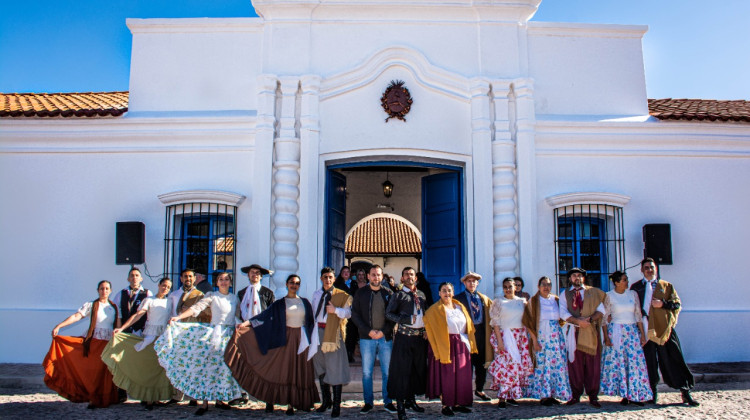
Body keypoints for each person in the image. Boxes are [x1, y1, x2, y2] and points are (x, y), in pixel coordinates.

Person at [224, 274, 319, 415]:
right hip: (284, 339)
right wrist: (246, 323)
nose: (294, 285)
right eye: (292, 282)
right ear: (286, 284)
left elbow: (310, 322)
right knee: (280, 371)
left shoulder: (305, 302)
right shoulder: (280, 303)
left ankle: (293, 403)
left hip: (301, 340)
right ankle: (271, 400)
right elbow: (264, 316)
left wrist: (311, 340)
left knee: (297, 371)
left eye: (297, 283)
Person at [156, 272, 243, 416]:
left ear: (231, 282)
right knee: (208, 367)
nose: (223, 282)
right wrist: (179, 317)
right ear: (216, 282)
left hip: (229, 335)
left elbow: (237, 317)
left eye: (226, 279)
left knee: (224, 367)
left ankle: (220, 400)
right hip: (214, 333)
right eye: (221, 279)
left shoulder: (234, 298)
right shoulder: (212, 295)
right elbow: (196, 308)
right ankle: (204, 402)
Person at [631, 258, 699, 406]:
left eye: (652, 267)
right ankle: (652, 393)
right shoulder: (636, 287)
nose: (650, 270)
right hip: (645, 328)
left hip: (663, 329)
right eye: (647, 267)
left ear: (656, 269)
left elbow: (676, 304)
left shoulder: (666, 286)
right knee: (649, 362)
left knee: (673, 359)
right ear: (642, 270)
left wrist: (662, 304)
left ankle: (685, 391)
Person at [43, 280, 121, 408]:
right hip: (94, 342)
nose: (104, 291)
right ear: (98, 290)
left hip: (107, 343)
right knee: (93, 372)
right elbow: (77, 316)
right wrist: (60, 326)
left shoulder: (114, 307)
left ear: (110, 291)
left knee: (105, 372)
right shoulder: (91, 305)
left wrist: (117, 339)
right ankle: (92, 398)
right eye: (102, 288)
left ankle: (104, 399)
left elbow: (118, 325)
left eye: (107, 289)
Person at [103, 277, 175, 410]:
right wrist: (122, 328)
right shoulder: (149, 300)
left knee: (160, 368)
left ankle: (157, 397)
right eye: (164, 285)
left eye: (168, 287)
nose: (165, 288)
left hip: (163, 337)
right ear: (158, 285)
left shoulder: (170, 301)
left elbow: (175, 318)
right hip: (149, 336)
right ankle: (148, 399)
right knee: (148, 367)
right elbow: (138, 315)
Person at [424, 282, 477, 416]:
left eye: (449, 291)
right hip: (445, 344)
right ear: (439, 293)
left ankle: (458, 403)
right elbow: (429, 327)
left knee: (461, 375)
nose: (447, 293)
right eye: (444, 291)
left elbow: (469, 325)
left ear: (453, 292)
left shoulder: (460, 307)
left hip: (461, 343)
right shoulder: (434, 310)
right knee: (447, 375)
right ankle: (446, 404)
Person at [600, 271, 652, 406]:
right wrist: (606, 337)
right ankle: (624, 394)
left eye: (627, 279)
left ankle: (636, 393)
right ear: (616, 283)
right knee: (621, 363)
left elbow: (638, 315)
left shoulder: (633, 294)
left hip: (631, 332)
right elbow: (604, 319)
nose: (627, 282)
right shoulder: (609, 296)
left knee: (634, 363)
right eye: (624, 280)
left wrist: (642, 334)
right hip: (617, 331)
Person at [350, 265, 396, 413]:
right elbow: (355, 315)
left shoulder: (389, 293)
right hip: (366, 338)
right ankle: (368, 402)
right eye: (373, 275)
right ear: (368, 276)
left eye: (378, 275)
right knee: (366, 372)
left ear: (382, 277)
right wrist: (368, 331)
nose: (376, 277)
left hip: (385, 338)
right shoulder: (360, 293)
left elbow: (393, 316)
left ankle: (388, 402)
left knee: (387, 372)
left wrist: (383, 332)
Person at [386, 266, 428, 420]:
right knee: (401, 371)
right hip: (404, 337)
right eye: (406, 275)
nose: (409, 277)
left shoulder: (421, 294)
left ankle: (412, 401)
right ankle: (401, 406)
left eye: (412, 274)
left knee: (415, 370)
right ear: (402, 278)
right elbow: (389, 314)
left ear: (416, 278)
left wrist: (425, 330)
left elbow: (425, 314)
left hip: (419, 339)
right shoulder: (398, 295)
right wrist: (407, 320)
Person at [559, 267, 606, 408]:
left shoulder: (593, 292)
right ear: (570, 278)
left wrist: (589, 320)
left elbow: (602, 309)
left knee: (593, 364)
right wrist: (578, 321)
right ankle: (575, 394)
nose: (577, 278)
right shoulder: (565, 294)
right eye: (574, 275)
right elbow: (563, 312)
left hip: (590, 331)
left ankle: (593, 395)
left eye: (579, 275)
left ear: (583, 278)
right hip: (574, 331)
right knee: (575, 365)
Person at [522, 276, 571, 406]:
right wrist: (535, 340)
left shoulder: (556, 300)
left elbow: (563, 317)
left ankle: (553, 393)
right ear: (538, 286)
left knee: (556, 365)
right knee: (543, 365)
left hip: (555, 337)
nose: (546, 287)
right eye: (543, 284)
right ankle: (543, 395)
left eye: (549, 284)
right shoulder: (533, 302)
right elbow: (528, 322)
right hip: (541, 337)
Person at [310, 266, 352, 418]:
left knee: (335, 368)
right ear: (321, 278)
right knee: (321, 368)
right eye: (325, 277)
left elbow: (348, 313)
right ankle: (326, 401)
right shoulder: (316, 294)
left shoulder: (341, 295)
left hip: (333, 333)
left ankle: (336, 405)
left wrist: (336, 310)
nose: (328, 280)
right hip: (318, 333)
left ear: (334, 278)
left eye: (330, 277)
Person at [487, 277, 533, 408]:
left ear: (515, 287)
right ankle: (502, 396)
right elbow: (495, 323)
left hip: (519, 337)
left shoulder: (522, 302)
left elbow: (527, 320)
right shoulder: (499, 302)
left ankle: (512, 394)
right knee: (505, 366)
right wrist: (500, 341)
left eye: (510, 287)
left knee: (516, 366)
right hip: (505, 336)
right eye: (505, 287)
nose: (508, 289)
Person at [454, 272, 494, 401]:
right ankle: (465, 391)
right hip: (466, 334)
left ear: (477, 283)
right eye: (469, 281)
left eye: (474, 281)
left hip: (481, 333)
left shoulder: (484, 299)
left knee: (481, 364)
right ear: (464, 283)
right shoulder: (458, 299)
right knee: (466, 365)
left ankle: (480, 389)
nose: (471, 283)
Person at [111, 267, 152, 334]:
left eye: (137, 275)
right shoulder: (121, 293)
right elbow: (117, 312)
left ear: (141, 279)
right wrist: (119, 328)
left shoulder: (147, 293)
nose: (134, 277)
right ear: (128, 279)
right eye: (132, 275)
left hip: (140, 331)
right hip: (124, 331)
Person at [336, 266, 359, 363]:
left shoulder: (354, 284)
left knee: (352, 334)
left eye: (347, 272)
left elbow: (357, 296)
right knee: (342, 333)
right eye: (344, 272)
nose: (346, 273)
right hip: (342, 312)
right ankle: (342, 354)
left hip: (352, 313)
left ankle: (350, 353)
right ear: (341, 274)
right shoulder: (337, 284)